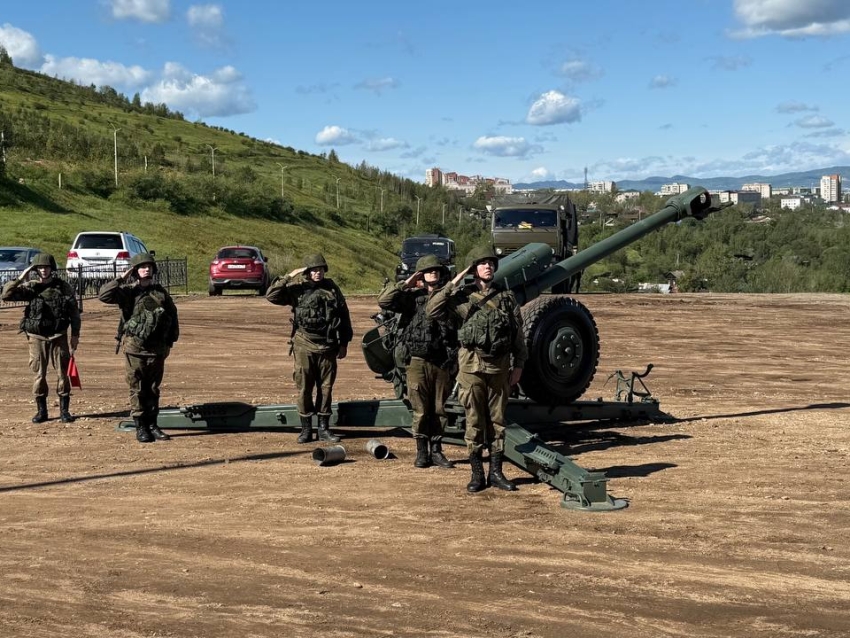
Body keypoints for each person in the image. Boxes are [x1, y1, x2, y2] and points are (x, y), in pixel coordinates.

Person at [425, 246, 528, 493]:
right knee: (474, 421)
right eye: (482, 263)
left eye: (491, 263)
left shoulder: (506, 298)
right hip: (471, 368)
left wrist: (519, 364)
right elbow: (432, 309)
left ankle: (496, 473)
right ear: (473, 268)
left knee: (498, 422)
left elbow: (518, 335)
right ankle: (477, 474)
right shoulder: (462, 299)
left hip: (499, 368)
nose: (488, 267)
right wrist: (455, 280)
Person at [377, 254, 458, 469]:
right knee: (420, 409)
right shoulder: (411, 299)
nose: (433, 273)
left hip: (442, 360)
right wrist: (406, 283)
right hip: (417, 361)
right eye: (428, 270)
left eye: (436, 270)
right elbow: (384, 300)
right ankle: (422, 451)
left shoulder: (449, 298)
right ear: (421, 275)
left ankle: (437, 450)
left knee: (440, 408)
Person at [266, 253, 353, 443]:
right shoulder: (297, 290)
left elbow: (344, 315)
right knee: (304, 387)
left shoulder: (332, 289)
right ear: (306, 272)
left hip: (328, 346)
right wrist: (289, 276)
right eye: (313, 270)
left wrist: (344, 343)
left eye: (320, 269)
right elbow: (271, 295)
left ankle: (323, 428)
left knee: (326, 389)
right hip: (304, 344)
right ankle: (306, 429)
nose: (317, 273)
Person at [98, 253, 179, 443]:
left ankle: (153, 425)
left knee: (153, 389)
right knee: (137, 388)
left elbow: (173, 317)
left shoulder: (160, 293)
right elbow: (104, 295)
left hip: (157, 350)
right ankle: (140, 426)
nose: (147, 269)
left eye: (149, 266)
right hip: (135, 349)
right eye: (142, 267)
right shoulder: (128, 292)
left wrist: (170, 343)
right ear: (135, 271)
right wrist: (122, 277)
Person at [1, 253, 81, 423]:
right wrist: (22, 277)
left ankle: (64, 411)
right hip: (37, 336)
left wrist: (75, 335)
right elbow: (6, 295)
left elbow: (74, 313)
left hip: (59, 335)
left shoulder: (63, 287)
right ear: (36, 269)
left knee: (63, 373)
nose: (44, 270)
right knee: (39, 374)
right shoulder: (31, 287)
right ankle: (41, 411)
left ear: (52, 268)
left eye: (46, 267)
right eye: (40, 267)